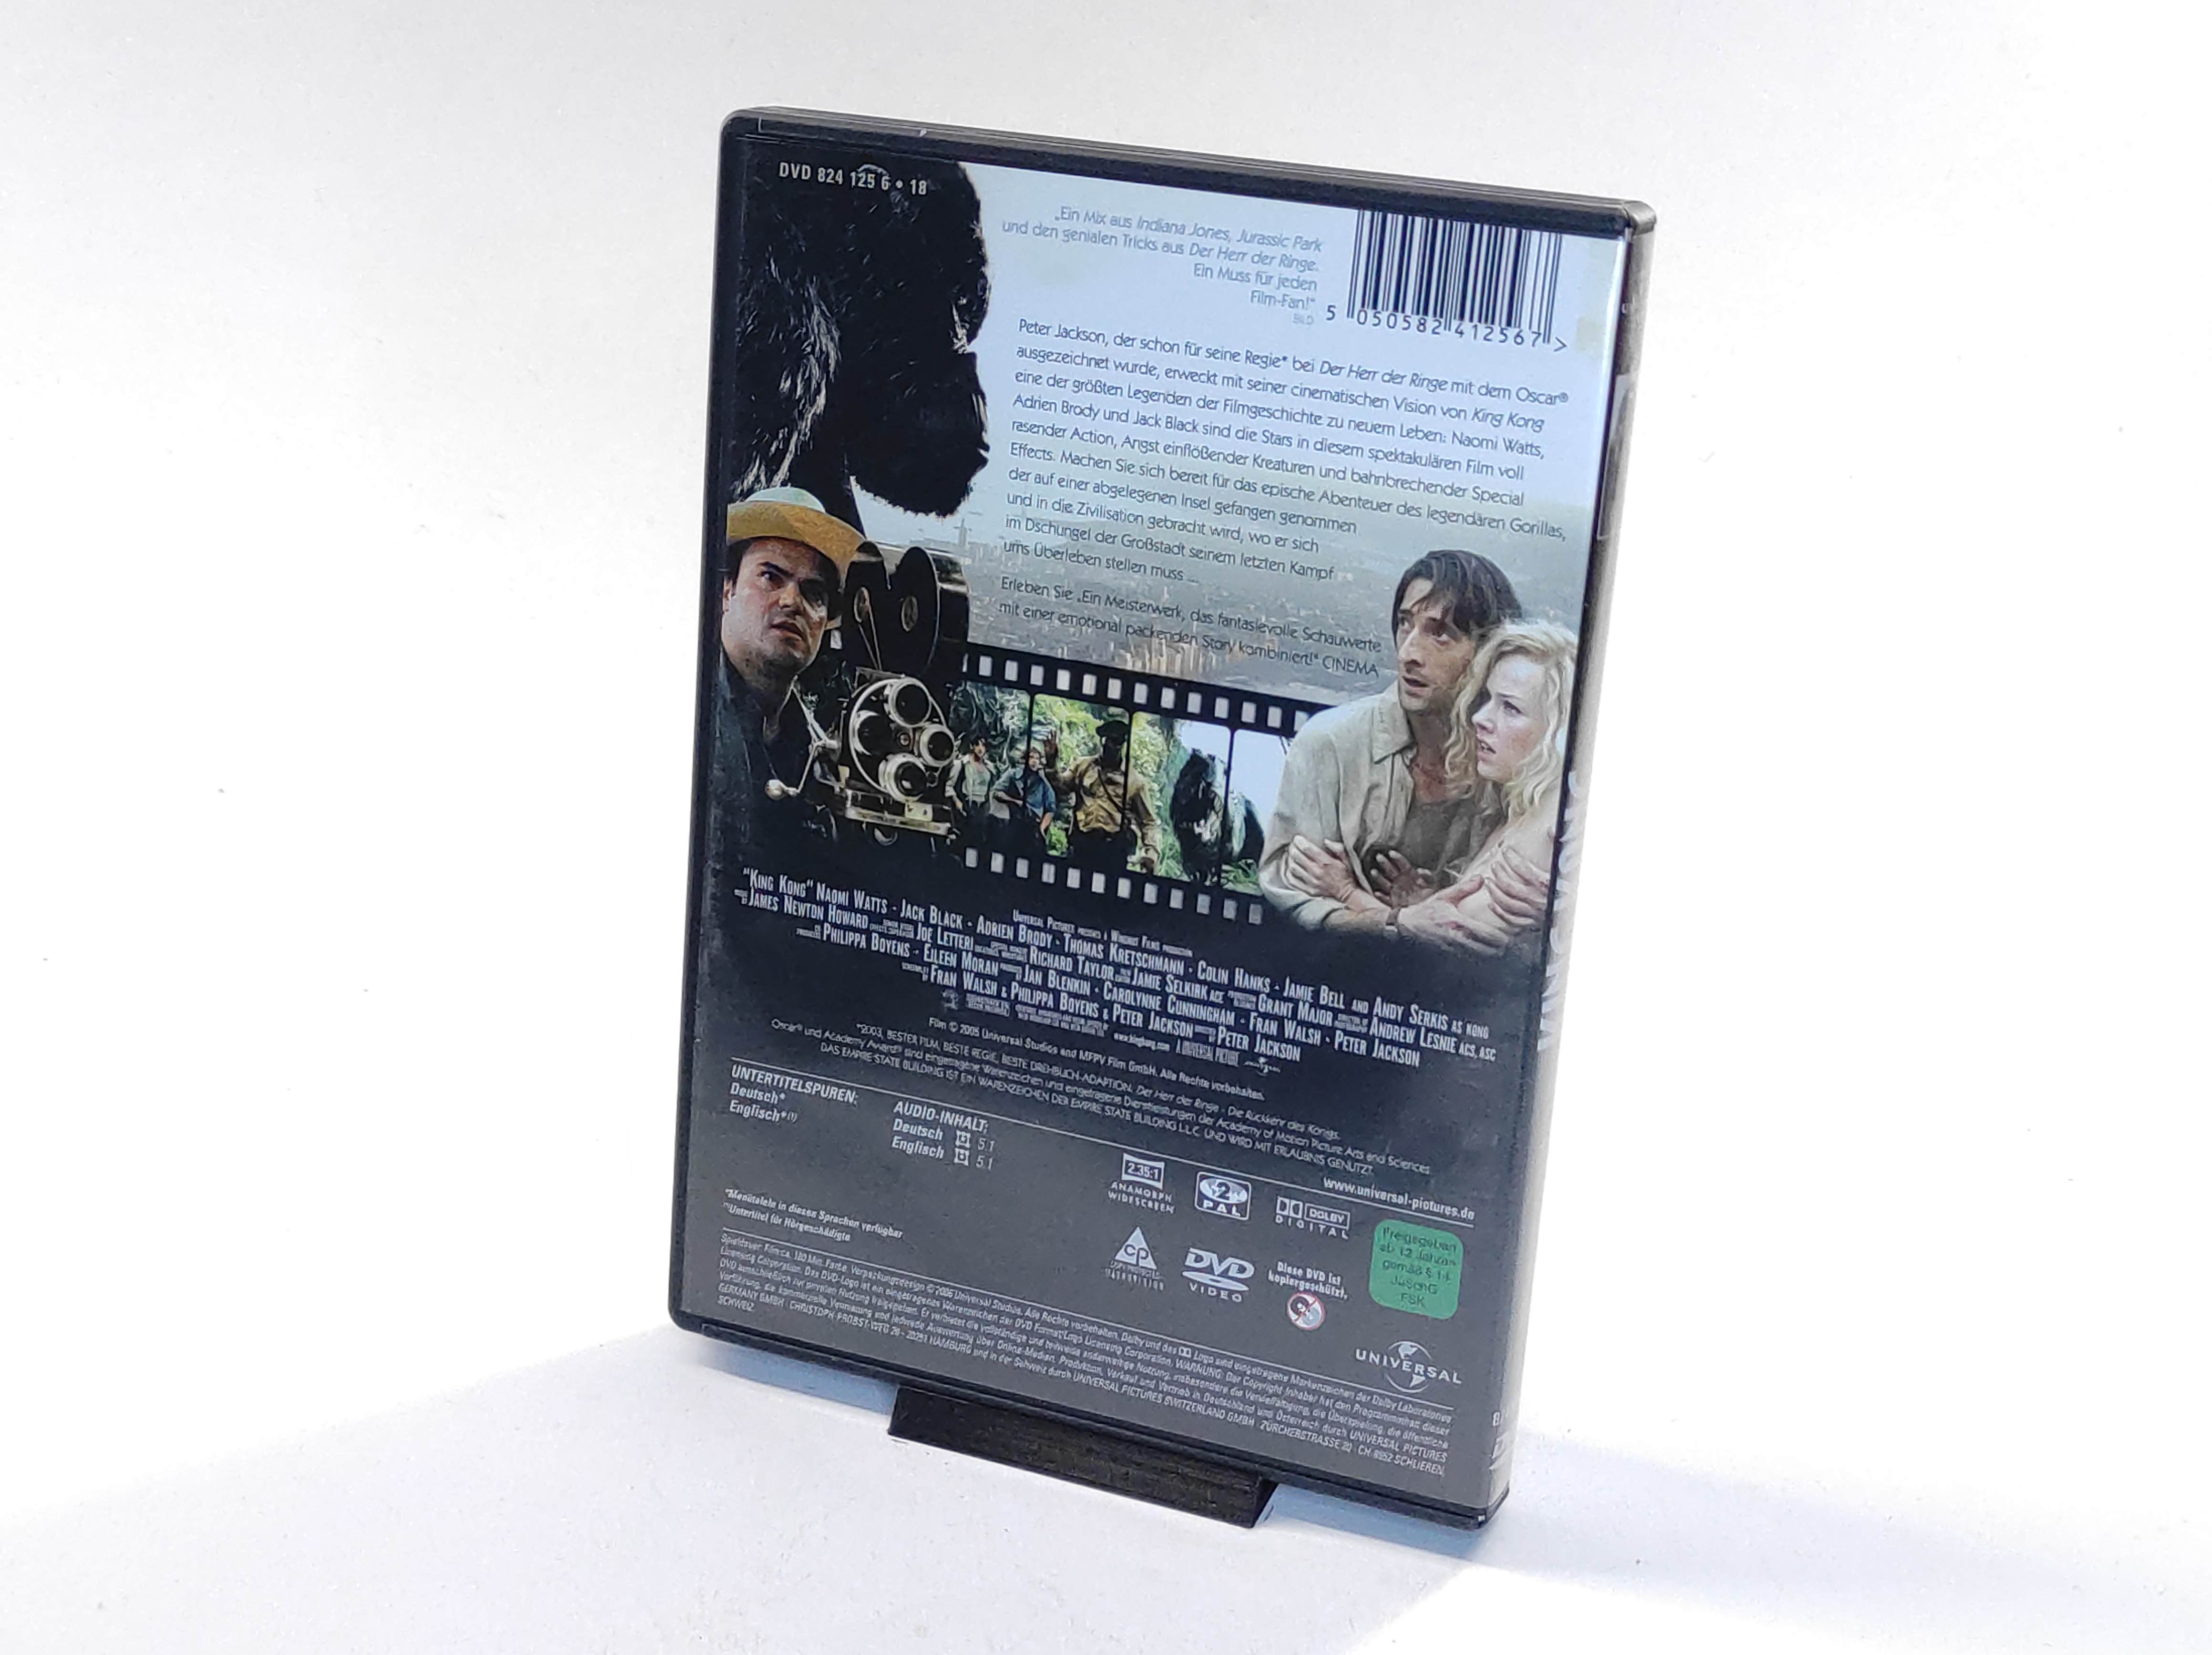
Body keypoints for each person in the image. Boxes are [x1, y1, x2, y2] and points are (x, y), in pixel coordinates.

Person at [1259, 549, 1535, 930]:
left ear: (1488, 652)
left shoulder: (1514, 762)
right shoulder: (1330, 745)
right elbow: (1292, 899)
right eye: (1405, 624)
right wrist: (1396, 922)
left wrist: (1416, 904)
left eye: (1440, 633)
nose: (1408, 654)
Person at [707, 486, 863, 871]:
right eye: (771, 577)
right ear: (727, 592)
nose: (792, 601)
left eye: (814, 592)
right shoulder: (682, 707)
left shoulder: (823, 756)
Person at [1055, 716, 1160, 873]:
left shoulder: (1135, 782)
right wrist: (1052, 762)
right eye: (1105, 740)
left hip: (1112, 852)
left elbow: (1148, 821)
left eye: (1113, 742)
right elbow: (1061, 787)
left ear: (1120, 745)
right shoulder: (1083, 766)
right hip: (1081, 845)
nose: (1107, 746)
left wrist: (1151, 853)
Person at [990, 746, 1057, 861]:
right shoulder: (1013, 774)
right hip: (1014, 822)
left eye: (1037, 758)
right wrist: (1015, 801)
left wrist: (1042, 828)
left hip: (1033, 825)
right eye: (1032, 757)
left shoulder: (1043, 782)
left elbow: (1051, 808)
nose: (1035, 761)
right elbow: (997, 791)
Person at [950, 737, 997, 847]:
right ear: (972, 747)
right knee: (964, 839)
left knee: (982, 841)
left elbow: (992, 787)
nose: (980, 749)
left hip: (983, 807)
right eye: (977, 745)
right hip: (968, 806)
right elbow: (949, 785)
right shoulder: (962, 764)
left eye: (983, 745)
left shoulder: (989, 767)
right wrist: (957, 801)